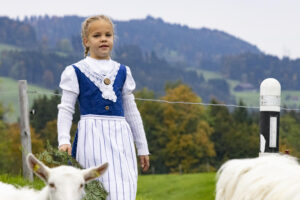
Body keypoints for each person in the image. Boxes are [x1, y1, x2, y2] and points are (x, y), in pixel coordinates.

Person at [57, 15, 150, 200]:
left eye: (108, 34)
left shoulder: (123, 71)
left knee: (123, 187)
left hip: (120, 137)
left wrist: (142, 147)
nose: (103, 39)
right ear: (86, 41)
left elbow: (131, 111)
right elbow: (66, 108)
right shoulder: (76, 71)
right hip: (91, 137)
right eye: (97, 35)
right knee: (95, 186)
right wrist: (63, 140)